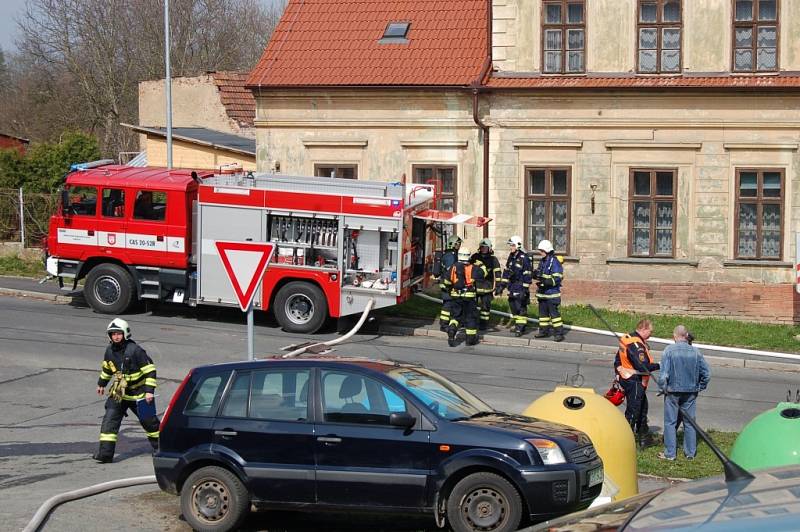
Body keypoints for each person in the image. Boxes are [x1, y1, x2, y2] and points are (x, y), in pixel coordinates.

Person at [93, 318, 160, 463]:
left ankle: (161, 450)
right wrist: (101, 383)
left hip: (140, 393)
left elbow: (150, 371)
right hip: (120, 392)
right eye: (113, 334)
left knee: (150, 423)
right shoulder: (109, 351)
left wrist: (149, 391)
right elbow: (107, 369)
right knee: (109, 420)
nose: (116, 337)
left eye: (119, 334)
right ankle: (105, 454)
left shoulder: (135, 350)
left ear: (125, 334)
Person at [657, 325, 711, 461]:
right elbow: (707, 374)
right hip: (691, 391)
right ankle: (690, 454)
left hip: (672, 392)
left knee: (670, 422)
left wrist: (662, 389)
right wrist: (700, 386)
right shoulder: (696, 352)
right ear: (686, 335)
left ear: (674, 336)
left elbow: (663, 376)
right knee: (690, 422)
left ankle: (670, 454)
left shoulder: (668, 350)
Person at [614, 318, 660, 448]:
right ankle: (624, 441)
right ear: (644, 329)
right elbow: (642, 367)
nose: (651, 335)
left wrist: (618, 374)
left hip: (627, 379)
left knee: (642, 408)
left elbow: (617, 360)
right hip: (635, 382)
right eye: (650, 331)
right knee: (633, 411)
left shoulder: (626, 338)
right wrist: (660, 365)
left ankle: (644, 439)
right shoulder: (636, 345)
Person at [442, 247, 486, 347]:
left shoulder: (453, 267)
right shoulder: (473, 268)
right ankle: (470, 340)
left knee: (455, 317)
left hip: (456, 296)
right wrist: (481, 264)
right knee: (470, 317)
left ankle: (452, 332)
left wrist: (451, 289)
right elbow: (483, 274)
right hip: (469, 297)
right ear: (469, 256)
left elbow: (447, 282)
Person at [496, 235, 532, 337]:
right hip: (512, 286)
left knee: (520, 308)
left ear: (517, 245)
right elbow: (507, 271)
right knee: (513, 306)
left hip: (520, 286)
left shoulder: (524, 258)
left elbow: (527, 274)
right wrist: (501, 286)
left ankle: (520, 328)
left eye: (512, 245)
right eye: (510, 245)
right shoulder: (511, 256)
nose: (510, 247)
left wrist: (525, 290)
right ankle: (519, 325)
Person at [533, 239, 565, 342]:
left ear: (547, 251)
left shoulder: (554, 262)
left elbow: (557, 277)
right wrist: (535, 274)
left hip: (552, 294)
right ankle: (543, 331)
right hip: (542, 294)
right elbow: (540, 273)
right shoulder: (543, 261)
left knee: (554, 316)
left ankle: (559, 334)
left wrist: (546, 281)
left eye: (541, 251)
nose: (540, 253)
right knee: (543, 316)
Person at [470, 238, 502, 331]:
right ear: (479, 247)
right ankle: (471, 322)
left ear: (489, 248)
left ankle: (483, 325)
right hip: (475, 287)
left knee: (485, 307)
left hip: (487, 287)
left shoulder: (493, 259)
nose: (484, 249)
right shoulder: (474, 257)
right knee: (472, 306)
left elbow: (498, 273)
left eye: (485, 247)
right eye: (482, 247)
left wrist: (498, 286)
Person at [435, 235, 462, 332]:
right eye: (458, 244)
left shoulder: (451, 254)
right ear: (453, 244)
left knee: (449, 303)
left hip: (448, 284)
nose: (459, 246)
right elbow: (451, 271)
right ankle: (444, 325)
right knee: (448, 304)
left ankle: (449, 322)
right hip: (448, 285)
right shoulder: (450, 256)